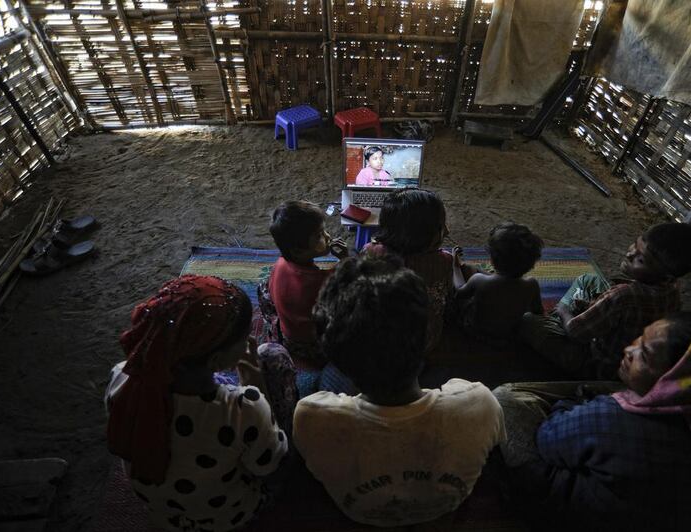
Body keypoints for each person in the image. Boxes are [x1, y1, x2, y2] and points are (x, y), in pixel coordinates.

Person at [493, 310, 691, 532]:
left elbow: (547, 439)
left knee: (507, 397)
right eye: (638, 340)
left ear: (674, 381)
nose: (628, 349)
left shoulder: (612, 419)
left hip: (572, 515)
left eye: (644, 355)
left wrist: (576, 400)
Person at [293, 255, 505, 527]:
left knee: (310, 382)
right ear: (426, 338)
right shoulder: (480, 404)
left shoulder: (310, 418)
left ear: (337, 355)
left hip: (358, 515)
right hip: (444, 511)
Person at [105, 275, 289, 531]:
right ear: (215, 360)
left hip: (164, 515)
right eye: (244, 338)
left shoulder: (123, 377)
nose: (249, 342)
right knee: (273, 358)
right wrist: (254, 382)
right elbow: (267, 464)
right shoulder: (242, 408)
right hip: (226, 517)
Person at [520, 222, 691, 378]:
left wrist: (562, 309)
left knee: (530, 321)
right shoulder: (672, 286)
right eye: (635, 246)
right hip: (621, 341)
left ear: (665, 272)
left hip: (600, 364)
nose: (630, 254)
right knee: (588, 279)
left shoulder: (624, 295)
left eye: (641, 260)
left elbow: (576, 331)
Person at [363, 188, 475, 350]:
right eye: (441, 226)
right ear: (423, 233)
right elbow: (451, 296)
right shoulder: (443, 260)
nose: (447, 231)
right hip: (423, 342)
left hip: (376, 339)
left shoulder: (370, 251)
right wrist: (457, 266)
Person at [267, 200, 348, 365]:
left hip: (288, 335)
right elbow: (347, 279)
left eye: (323, 231)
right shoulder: (321, 280)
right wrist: (345, 260)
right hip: (311, 347)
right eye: (319, 236)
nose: (327, 237)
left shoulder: (280, 263)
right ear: (297, 250)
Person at [453, 222, 544, 344]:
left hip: (475, 332)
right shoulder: (531, 285)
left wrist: (455, 267)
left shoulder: (479, 280)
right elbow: (538, 312)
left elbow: (459, 291)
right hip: (508, 335)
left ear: (493, 259)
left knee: (462, 280)